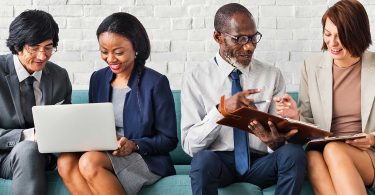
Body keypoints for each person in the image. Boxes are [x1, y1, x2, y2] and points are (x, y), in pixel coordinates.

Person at [181, 3, 307, 195]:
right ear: (218, 37)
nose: (249, 46)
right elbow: (190, 146)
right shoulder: (196, 77)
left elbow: (280, 135)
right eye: (239, 39)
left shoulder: (272, 75)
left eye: (253, 38)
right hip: (219, 164)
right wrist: (222, 111)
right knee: (202, 161)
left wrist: (275, 143)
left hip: (260, 163)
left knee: (294, 154)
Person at [57, 12, 178, 195]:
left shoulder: (156, 82)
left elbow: (169, 140)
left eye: (118, 52)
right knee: (64, 162)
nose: (111, 59)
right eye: (104, 52)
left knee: (89, 162)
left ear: (136, 47)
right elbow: (93, 125)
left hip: (144, 157)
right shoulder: (98, 79)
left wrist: (133, 144)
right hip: (104, 153)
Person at [274, 0, 375, 194]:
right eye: (328, 34)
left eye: (341, 36)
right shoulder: (311, 67)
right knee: (311, 156)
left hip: (367, 154)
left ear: (357, 35)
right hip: (324, 151)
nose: (332, 43)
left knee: (333, 149)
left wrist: (371, 139)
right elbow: (309, 124)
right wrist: (295, 117)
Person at [0, 10, 72, 195]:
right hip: (4, 156)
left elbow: (67, 123)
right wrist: (30, 136)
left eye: (48, 47)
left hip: (45, 157)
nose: (42, 56)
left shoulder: (59, 76)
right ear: (17, 46)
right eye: (34, 48)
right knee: (27, 150)